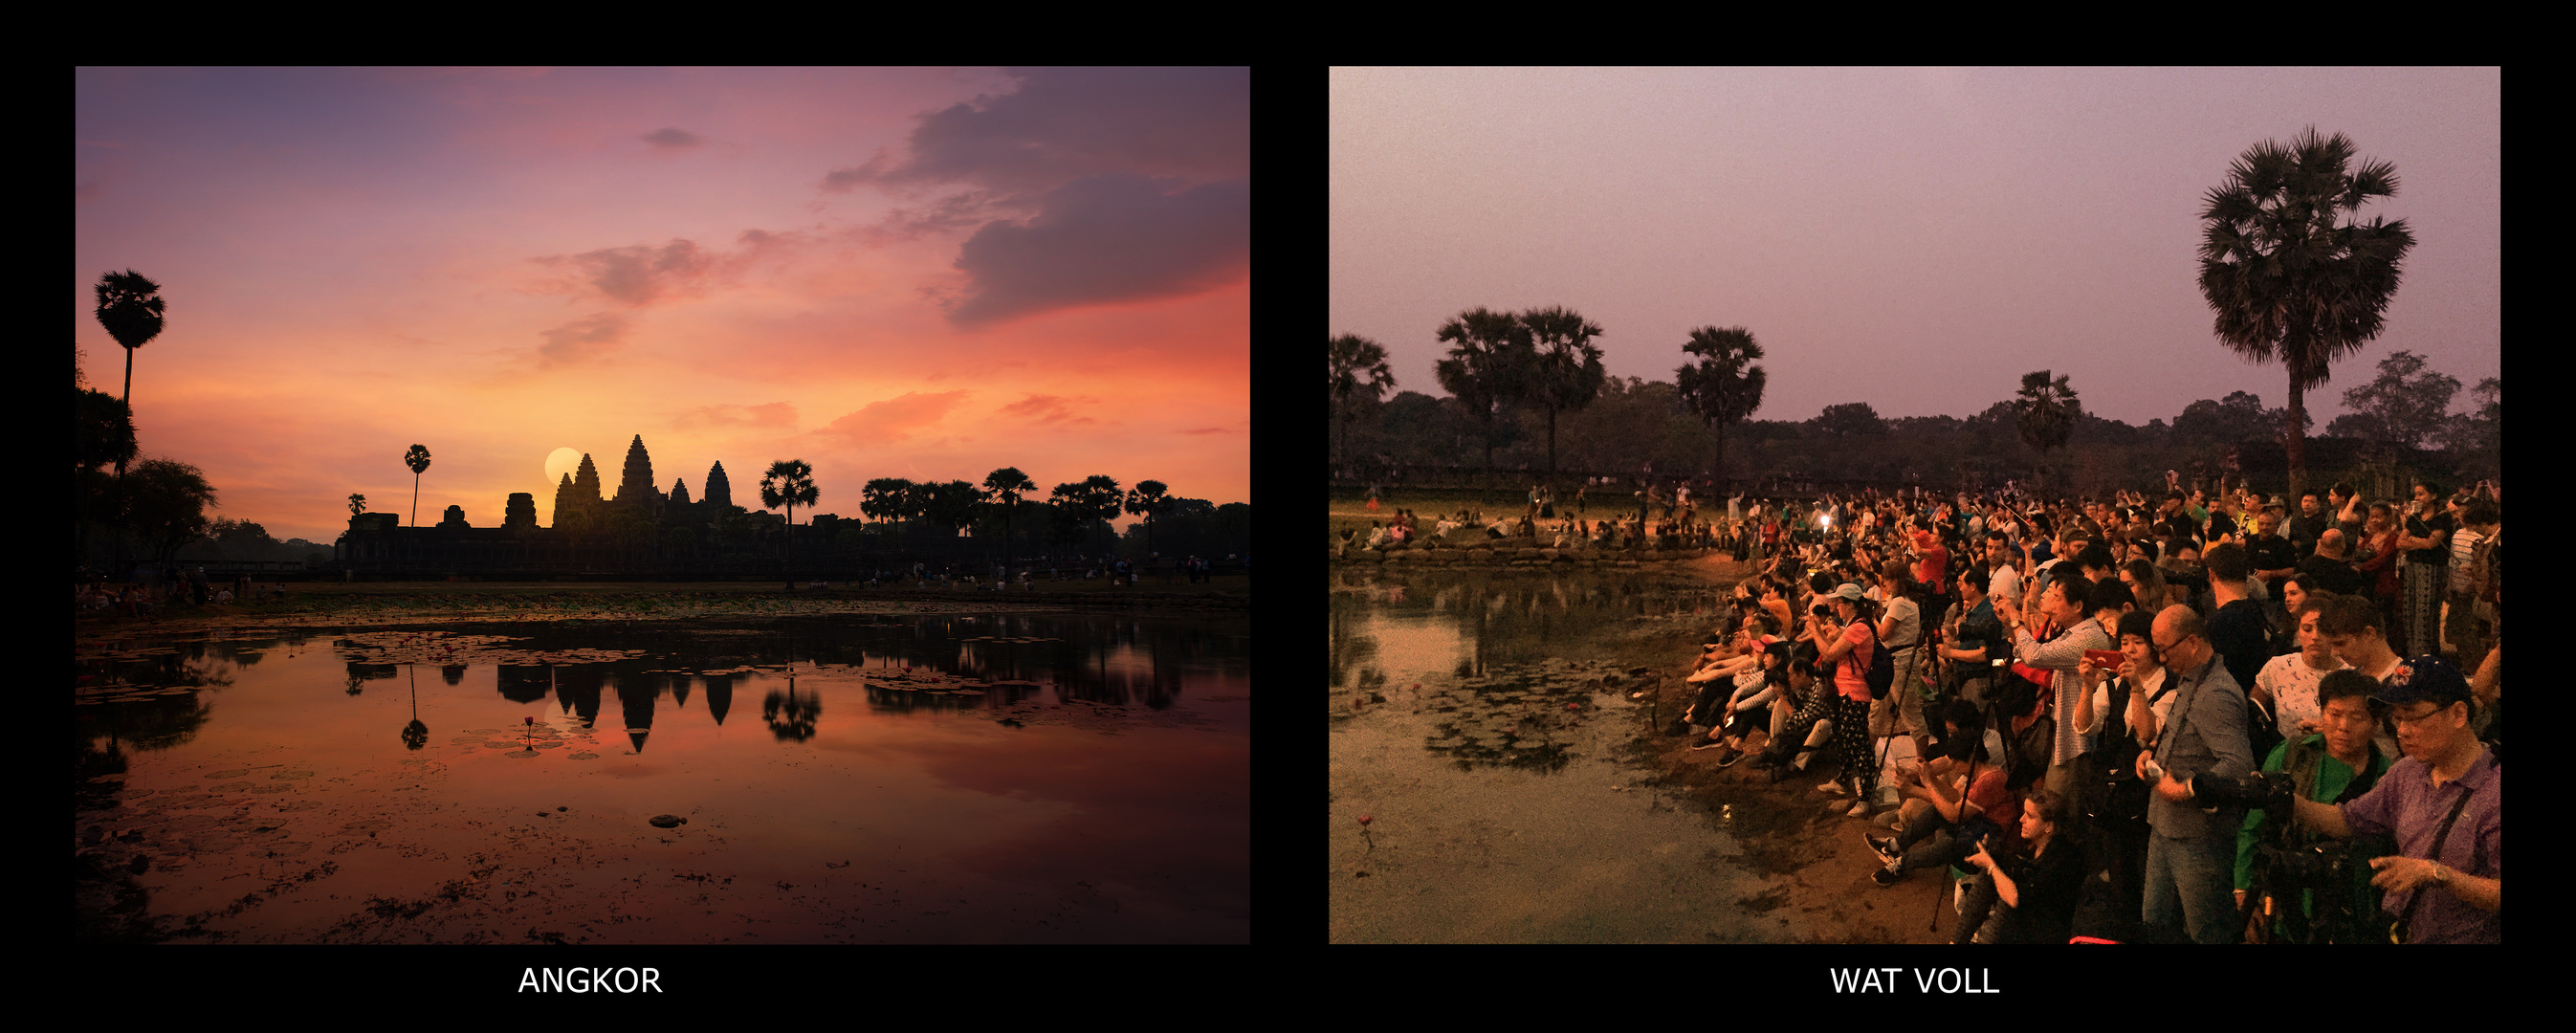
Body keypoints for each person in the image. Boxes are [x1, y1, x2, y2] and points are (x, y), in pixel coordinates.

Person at [2285, 656, 2500, 943]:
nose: (2402, 731)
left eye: (2412, 716)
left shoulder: (2493, 790)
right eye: (2397, 718)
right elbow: (2347, 821)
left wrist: (2437, 874)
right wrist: (2287, 802)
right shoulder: (2407, 772)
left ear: (2459, 714)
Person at [2233, 669, 2395, 942]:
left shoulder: (2388, 778)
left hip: (2356, 913)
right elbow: (2253, 828)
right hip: (2286, 902)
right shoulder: (2291, 755)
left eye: (2356, 717)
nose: (2343, 726)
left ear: (2375, 723)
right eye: (2334, 713)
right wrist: (2244, 892)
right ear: (2322, 714)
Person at [2136, 604, 2257, 944]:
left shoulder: (2216, 692)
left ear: (2191, 642)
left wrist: (2185, 789)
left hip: (2198, 837)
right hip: (2165, 826)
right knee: (2156, 924)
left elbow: (2238, 765)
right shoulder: (2191, 679)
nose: (2161, 659)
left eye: (2164, 650)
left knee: (2208, 931)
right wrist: (2152, 755)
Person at [1994, 572, 2112, 801]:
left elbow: (2035, 656)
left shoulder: (2086, 637)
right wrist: (2010, 624)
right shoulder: (2073, 631)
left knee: (2056, 802)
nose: (2047, 595)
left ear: (2078, 605)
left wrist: (2016, 619)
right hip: (2063, 727)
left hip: (2077, 736)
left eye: (2055, 595)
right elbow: (2025, 652)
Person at [1962, 788, 2085, 943]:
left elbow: (2016, 898)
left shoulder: (2061, 857)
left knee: (2004, 894)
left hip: (2046, 931)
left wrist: (1991, 865)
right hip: (2028, 915)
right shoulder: (2033, 843)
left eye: (2030, 816)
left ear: (2049, 826)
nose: (2021, 819)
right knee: (1991, 875)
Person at [1807, 582, 1881, 818]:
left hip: (1855, 693)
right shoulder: (1853, 626)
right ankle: (1842, 780)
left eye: (1838, 602)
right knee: (1844, 737)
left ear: (1849, 604)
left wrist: (1816, 631)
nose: (1835, 607)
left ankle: (1866, 796)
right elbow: (1834, 651)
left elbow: (1828, 654)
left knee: (1858, 743)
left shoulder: (1858, 628)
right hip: (1845, 690)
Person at [2253, 595, 2348, 746]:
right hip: (2288, 757)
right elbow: (2253, 710)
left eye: (2323, 630)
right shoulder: (2278, 667)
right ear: (2298, 631)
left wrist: (2329, 729)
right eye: (2307, 629)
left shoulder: (2349, 674)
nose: (2315, 637)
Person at [2393, 481, 2455, 657]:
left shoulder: (2442, 517)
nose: (2417, 498)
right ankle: (2413, 654)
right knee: (2410, 611)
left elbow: (2432, 543)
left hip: (2432, 569)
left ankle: (2426, 656)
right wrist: (2417, 541)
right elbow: (2400, 543)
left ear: (2433, 495)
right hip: (2412, 567)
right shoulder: (2415, 518)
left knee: (2425, 613)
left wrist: (2412, 540)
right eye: (2416, 494)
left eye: (2421, 494)